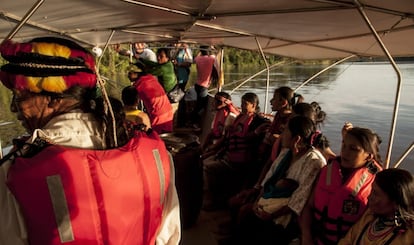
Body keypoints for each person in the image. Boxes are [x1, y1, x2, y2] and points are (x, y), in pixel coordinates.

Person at [0, 37, 180, 245]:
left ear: (53, 98)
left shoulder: (13, 174)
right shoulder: (157, 155)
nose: (14, 108)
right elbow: (168, 238)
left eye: (19, 97)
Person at [231, 115, 327, 245]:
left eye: (286, 130)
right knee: (245, 211)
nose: (282, 132)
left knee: (256, 225)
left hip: (287, 216)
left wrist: (271, 215)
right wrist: (258, 201)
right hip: (268, 202)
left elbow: (299, 200)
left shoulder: (314, 162)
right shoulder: (286, 152)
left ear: (296, 139)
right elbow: (269, 178)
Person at [301, 125, 383, 245]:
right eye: (344, 145)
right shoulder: (327, 171)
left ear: (369, 156)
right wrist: (306, 237)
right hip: (314, 239)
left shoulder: (377, 183)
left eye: (353, 149)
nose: (345, 152)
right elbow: (309, 207)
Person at [203, 92, 270, 210]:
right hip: (229, 155)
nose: (242, 106)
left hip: (243, 160)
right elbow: (229, 138)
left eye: (245, 104)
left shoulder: (257, 121)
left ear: (253, 106)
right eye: (242, 103)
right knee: (205, 163)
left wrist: (257, 132)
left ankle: (214, 201)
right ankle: (214, 199)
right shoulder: (240, 117)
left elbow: (263, 129)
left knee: (208, 168)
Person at [338, 168, 414, 245]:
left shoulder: (409, 235)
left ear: (396, 203)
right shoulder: (369, 216)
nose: (369, 197)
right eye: (372, 191)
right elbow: (347, 241)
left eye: (376, 194)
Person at [127, 64, 174, 134]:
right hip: (167, 110)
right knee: (166, 136)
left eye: (130, 73)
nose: (128, 75)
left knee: (157, 138)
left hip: (159, 114)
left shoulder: (140, 85)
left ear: (137, 74)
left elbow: (130, 102)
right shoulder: (150, 78)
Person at [201, 91, 240, 159]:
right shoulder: (218, 113)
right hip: (215, 142)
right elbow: (212, 132)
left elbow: (224, 138)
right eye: (215, 100)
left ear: (225, 103)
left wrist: (212, 147)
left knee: (202, 158)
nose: (214, 102)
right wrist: (203, 147)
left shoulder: (230, 116)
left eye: (218, 101)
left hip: (222, 146)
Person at [191, 45, 217, 127]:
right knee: (201, 107)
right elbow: (216, 54)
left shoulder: (198, 59)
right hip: (204, 87)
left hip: (197, 85)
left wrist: (200, 51)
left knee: (198, 104)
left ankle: (194, 122)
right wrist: (212, 48)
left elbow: (195, 58)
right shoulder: (211, 58)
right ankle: (195, 123)